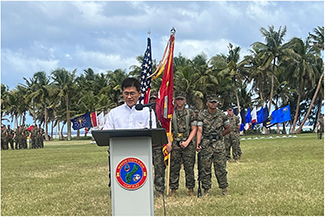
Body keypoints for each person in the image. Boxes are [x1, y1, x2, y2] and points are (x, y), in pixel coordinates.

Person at [102, 77, 157, 190]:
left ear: (139, 93)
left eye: (132, 93)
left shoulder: (148, 112)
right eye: (126, 93)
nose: (129, 97)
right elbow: (106, 133)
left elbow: (153, 135)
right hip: (119, 154)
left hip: (141, 154)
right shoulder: (114, 113)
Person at [196, 94, 231, 197]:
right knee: (205, 168)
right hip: (206, 144)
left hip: (219, 144)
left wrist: (220, 136)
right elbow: (199, 130)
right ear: (207, 103)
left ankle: (224, 189)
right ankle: (206, 190)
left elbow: (228, 128)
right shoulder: (202, 116)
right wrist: (198, 144)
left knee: (221, 168)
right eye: (211, 102)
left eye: (215, 102)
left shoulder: (222, 115)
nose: (213, 104)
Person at [169, 91, 198, 198]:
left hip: (188, 144)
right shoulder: (171, 113)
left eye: (181, 99)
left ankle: (190, 189)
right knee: (174, 168)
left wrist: (187, 142)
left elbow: (194, 129)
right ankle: (173, 189)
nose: (179, 101)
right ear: (175, 100)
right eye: (177, 99)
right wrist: (169, 143)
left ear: (185, 100)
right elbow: (168, 129)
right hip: (175, 143)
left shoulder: (190, 113)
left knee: (189, 168)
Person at [149, 90, 167, 197]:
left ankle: (160, 190)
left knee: (159, 169)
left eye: (155, 99)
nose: (153, 101)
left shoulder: (161, 114)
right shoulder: (144, 113)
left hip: (158, 146)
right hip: (146, 146)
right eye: (151, 99)